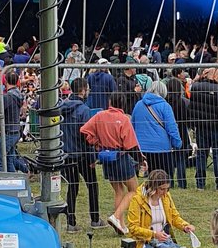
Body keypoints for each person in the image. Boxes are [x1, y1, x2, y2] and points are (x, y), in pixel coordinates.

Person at [80, 92, 142, 235]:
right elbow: (130, 144)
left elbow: (84, 130)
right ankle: (116, 216)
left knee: (118, 190)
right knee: (134, 190)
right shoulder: (123, 119)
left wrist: (95, 142)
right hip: (120, 157)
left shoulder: (100, 116)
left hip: (106, 157)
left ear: (110, 102)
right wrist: (140, 159)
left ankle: (120, 224)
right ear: (123, 103)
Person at [126, 168, 196, 248]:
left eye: (167, 188)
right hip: (144, 241)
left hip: (164, 240)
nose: (165, 192)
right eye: (162, 189)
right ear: (153, 187)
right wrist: (154, 234)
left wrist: (185, 226)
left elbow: (174, 217)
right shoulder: (137, 200)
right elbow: (133, 228)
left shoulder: (166, 196)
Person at [60, 78, 103, 231]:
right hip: (83, 154)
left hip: (66, 153)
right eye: (87, 89)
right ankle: (95, 219)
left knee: (72, 187)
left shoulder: (61, 107)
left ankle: (71, 222)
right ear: (83, 90)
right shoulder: (84, 110)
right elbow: (88, 136)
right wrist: (92, 157)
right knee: (92, 185)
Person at [189, 68, 218, 192]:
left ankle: (200, 184)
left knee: (202, 154)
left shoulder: (195, 87)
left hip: (201, 126)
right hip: (217, 126)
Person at [131, 79, 181, 180]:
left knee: (149, 180)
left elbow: (133, 126)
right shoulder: (165, 106)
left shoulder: (138, 105)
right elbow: (172, 127)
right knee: (164, 179)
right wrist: (177, 143)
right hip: (161, 148)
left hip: (143, 149)